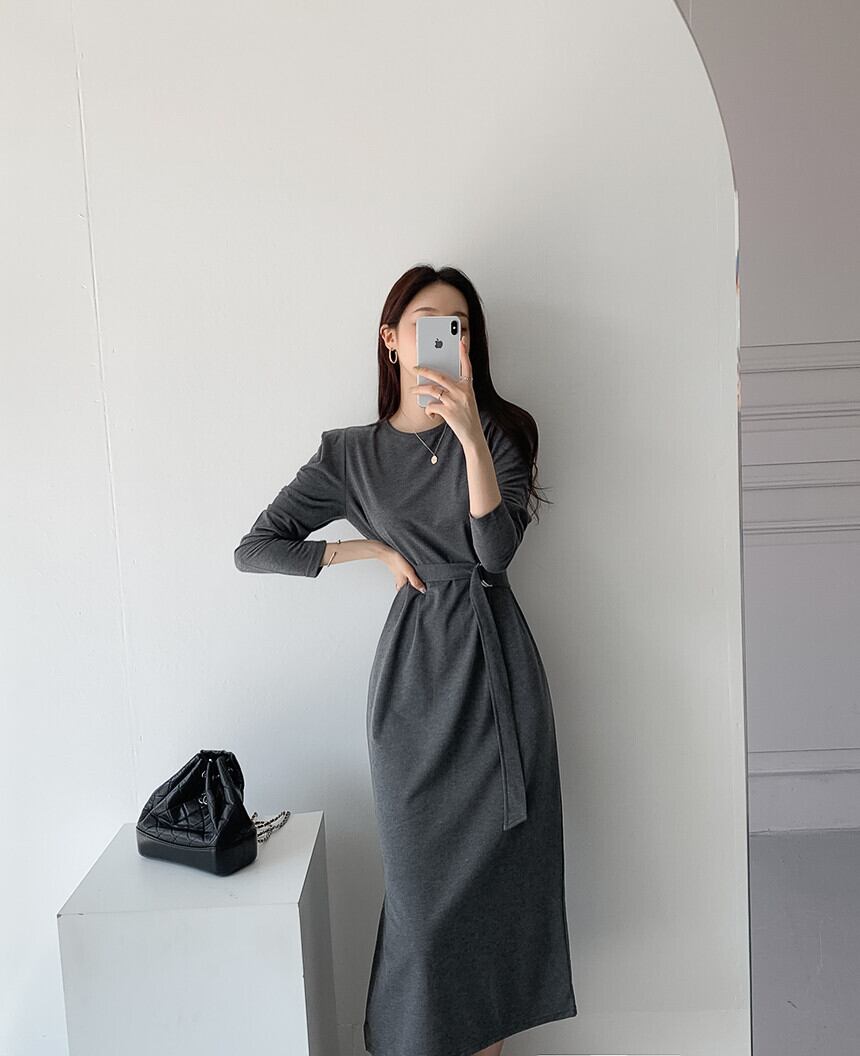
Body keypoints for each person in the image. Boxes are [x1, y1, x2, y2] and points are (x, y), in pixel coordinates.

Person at [235, 264, 578, 1056]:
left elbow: (494, 555)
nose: (445, 338)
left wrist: (469, 435)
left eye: (460, 326)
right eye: (427, 323)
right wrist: (368, 550)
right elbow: (256, 547)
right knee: (423, 918)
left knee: (491, 916)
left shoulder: (502, 434)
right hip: (414, 689)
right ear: (391, 339)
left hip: (497, 683)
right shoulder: (349, 455)